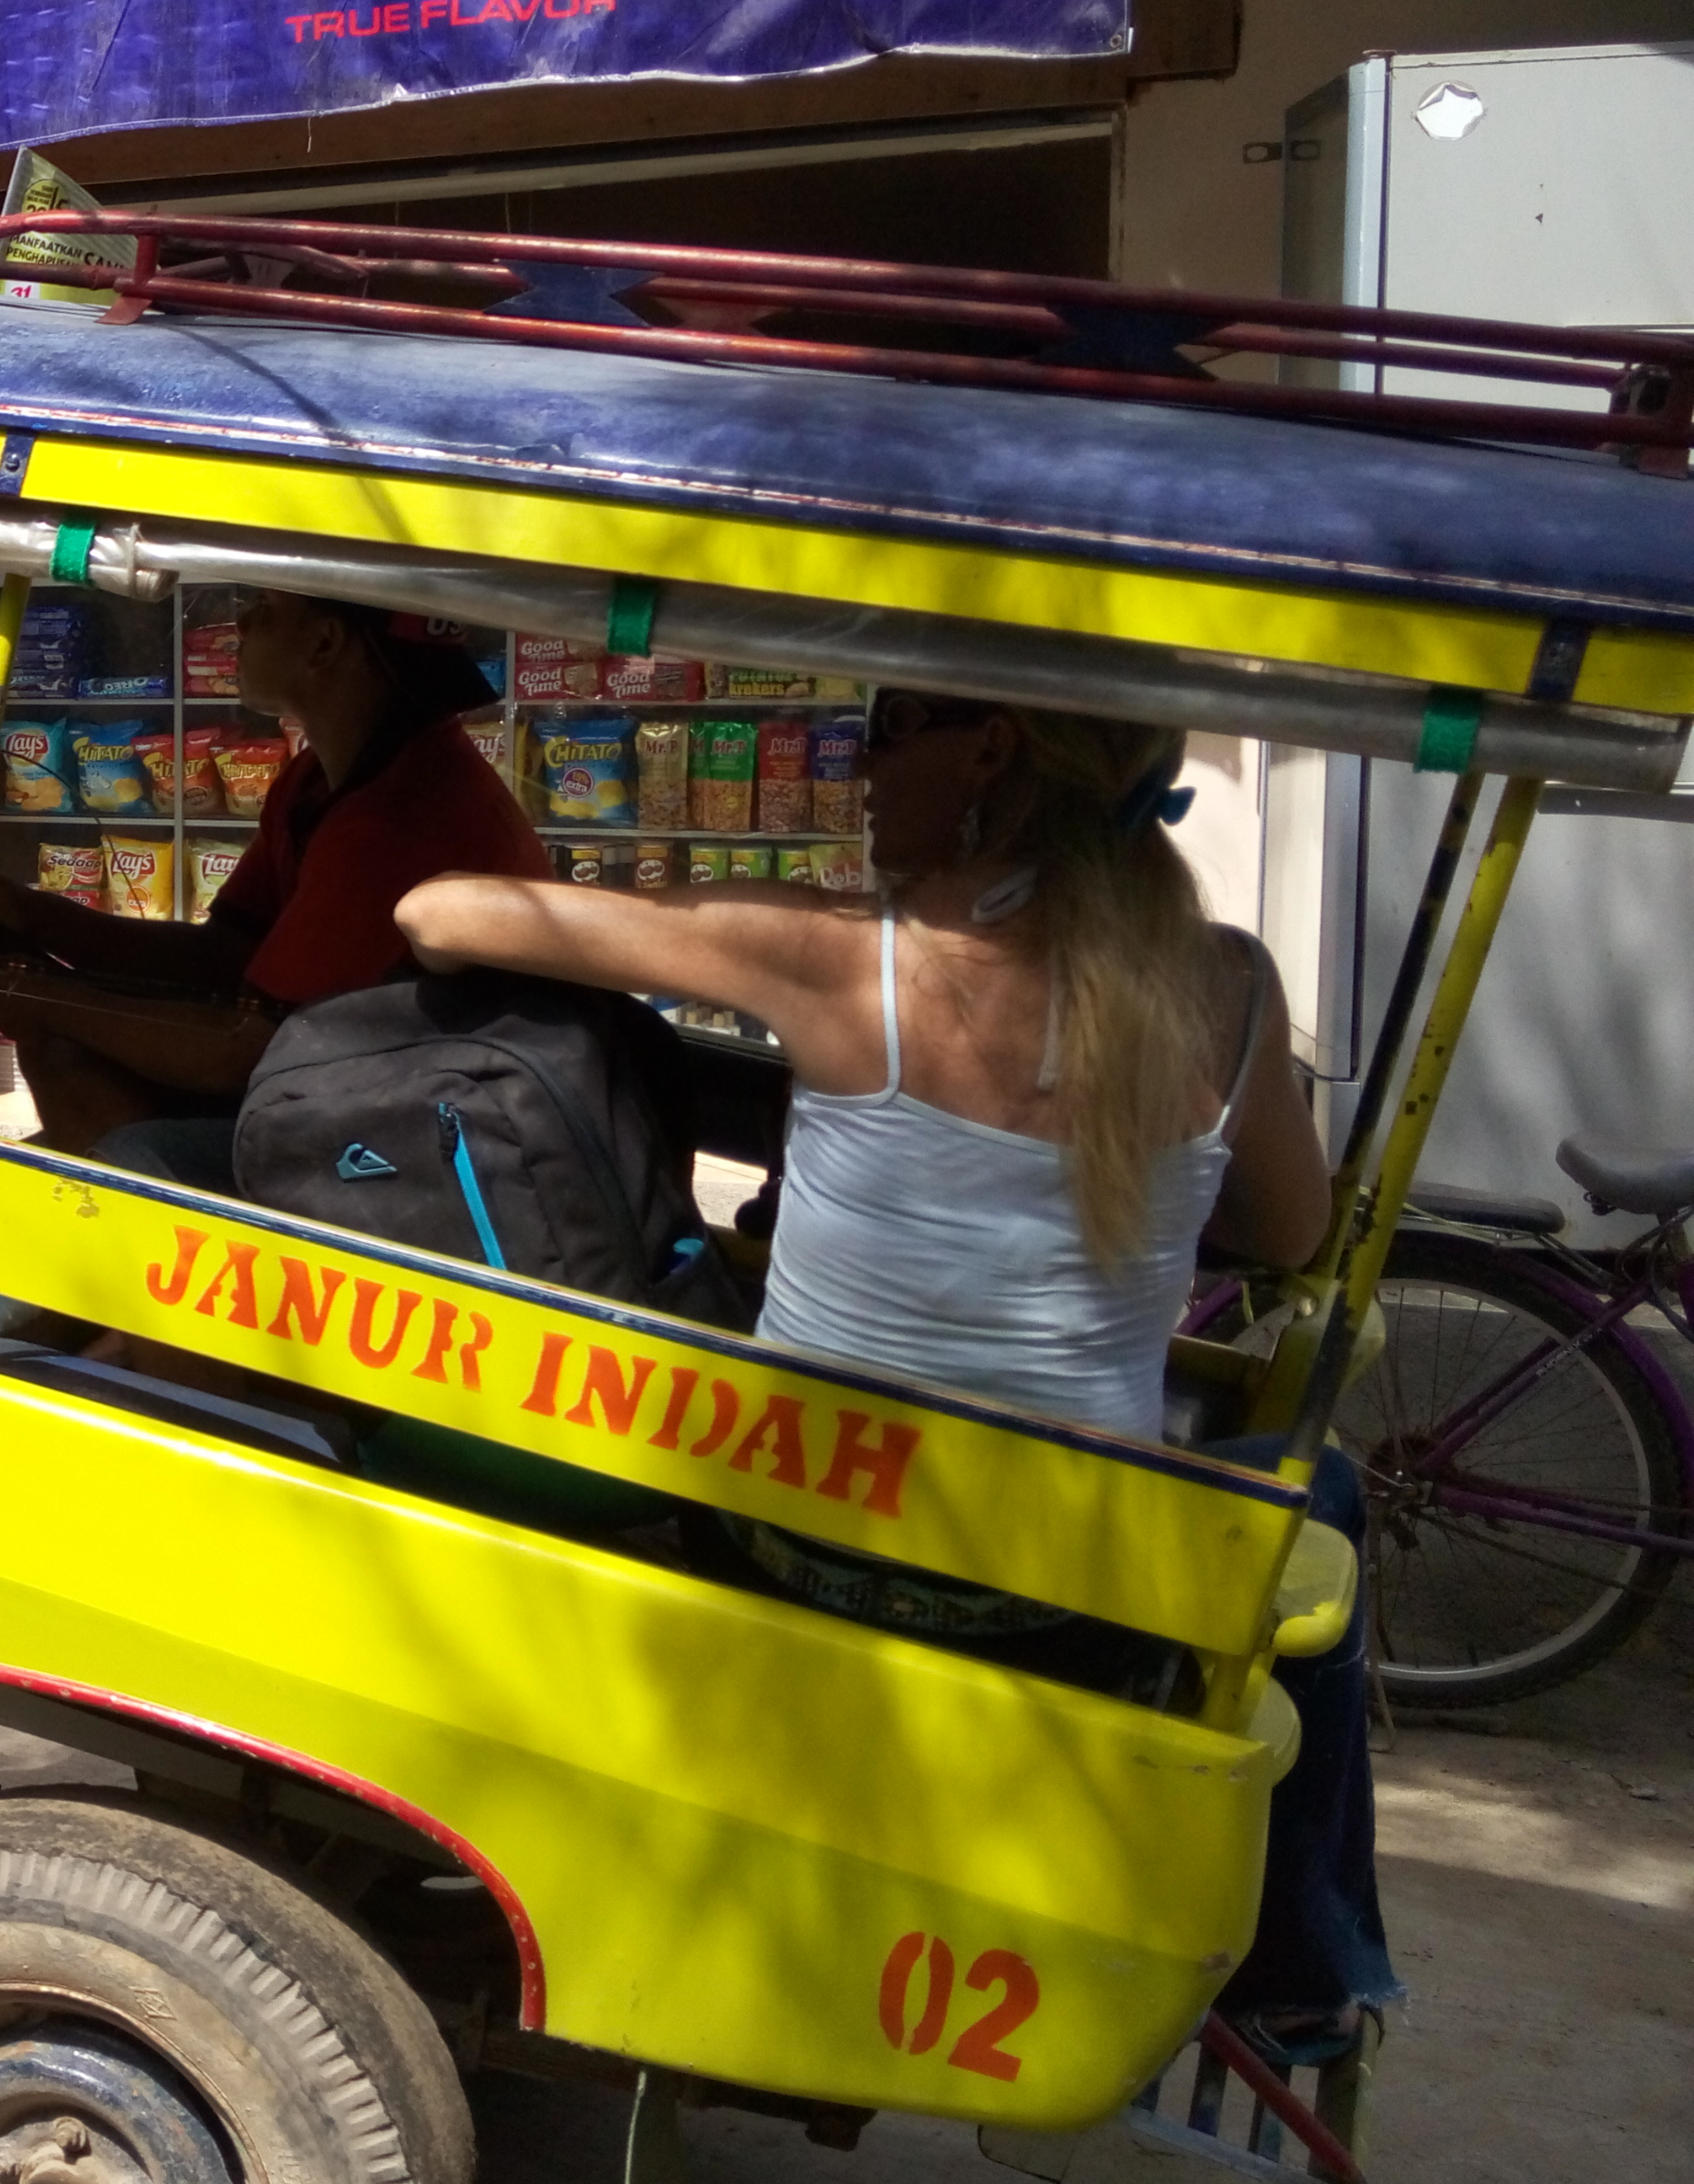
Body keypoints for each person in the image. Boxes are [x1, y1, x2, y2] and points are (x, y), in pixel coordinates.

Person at [393, 688, 1393, 2061]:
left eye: (887, 734)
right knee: (1316, 1494)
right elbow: (1291, 1231)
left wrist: (710, 907)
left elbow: (439, 914)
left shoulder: (838, 954)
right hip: (1074, 1610)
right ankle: (1301, 1975)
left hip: (790, 1557)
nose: (854, 773)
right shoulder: (1226, 989)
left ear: (992, 748)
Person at [0, 591, 540, 1171]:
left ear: (324, 643)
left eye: (267, 606)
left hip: (418, 1139)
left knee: (77, 1072)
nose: (244, 622)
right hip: (356, 1092)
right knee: (63, 1051)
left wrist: (40, 997)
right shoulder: (320, 780)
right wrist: (30, 917)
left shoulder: (398, 820)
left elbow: (240, 1050)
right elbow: (225, 954)